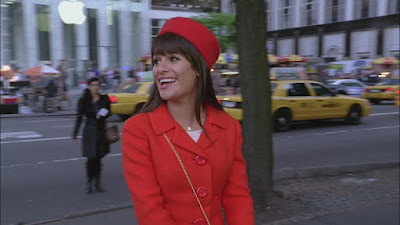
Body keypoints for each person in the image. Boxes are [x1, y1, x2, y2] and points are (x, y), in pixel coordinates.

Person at [122, 17, 254, 225]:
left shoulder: (229, 128)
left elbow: (237, 199)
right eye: (157, 61)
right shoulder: (138, 130)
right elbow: (150, 211)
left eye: (173, 58)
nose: (160, 68)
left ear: (197, 69)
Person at [72, 77, 111, 194]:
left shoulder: (104, 98)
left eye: (97, 85)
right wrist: (74, 135)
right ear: (89, 87)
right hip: (89, 131)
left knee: (98, 159)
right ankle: (89, 182)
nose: (96, 87)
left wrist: (104, 113)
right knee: (90, 159)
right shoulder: (83, 100)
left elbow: (109, 113)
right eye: (93, 85)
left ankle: (98, 183)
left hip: (101, 131)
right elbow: (79, 117)